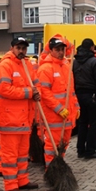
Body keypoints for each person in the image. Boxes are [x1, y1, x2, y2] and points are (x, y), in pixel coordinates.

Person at [0, 37, 40, 191]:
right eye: (19, 48)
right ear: (12, 47)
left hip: (25, 119)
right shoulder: (4, 66)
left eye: (24, 48)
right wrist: (28, 93)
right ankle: (10, 185)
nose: (21, 51)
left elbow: (36, 84)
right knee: (10, 155)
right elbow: (4, 89)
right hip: (10, 120)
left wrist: (36, 93)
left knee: (22, 154)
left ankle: (22, 180)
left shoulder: (27, 65)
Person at [37, 37, 79, 167]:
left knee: (64, 143)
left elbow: (71, 91)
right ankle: (50, 170)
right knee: (52, 145)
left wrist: (77, 107)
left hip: (67, 114)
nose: (61, 52)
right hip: (54, 116)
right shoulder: (45, 68)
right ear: (51, 51)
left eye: (62, 49)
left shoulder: (67, 66)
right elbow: (45, 93)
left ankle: (59, 165)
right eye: (57, 49)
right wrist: (59, 109)